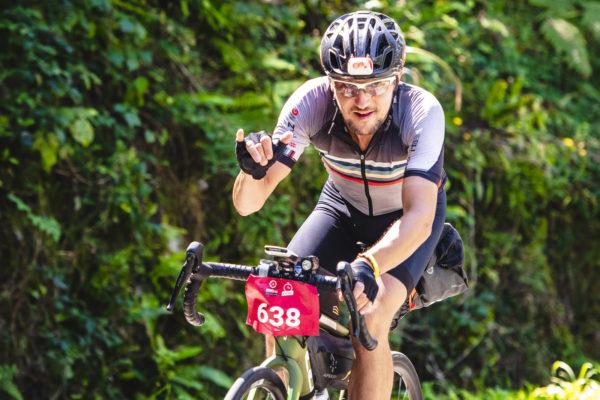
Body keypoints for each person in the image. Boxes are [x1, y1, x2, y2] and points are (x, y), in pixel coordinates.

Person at [232, 10, 446, 399]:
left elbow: (419, 217)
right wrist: (251, 173)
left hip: (407, 219)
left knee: (371, 316)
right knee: (282, 294)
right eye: (346, 87)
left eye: (376, 86)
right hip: (341, 209)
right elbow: (248, 204)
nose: (362, 100)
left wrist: (370, 264)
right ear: (330, 83)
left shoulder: (421, 112)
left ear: (397, 78)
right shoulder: (311, 102)